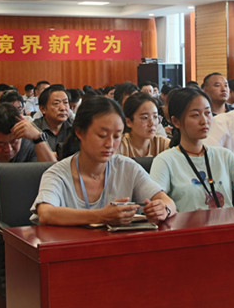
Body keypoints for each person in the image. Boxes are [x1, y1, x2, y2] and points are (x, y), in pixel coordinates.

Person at [31, 96, 176, 226]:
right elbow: (45, 213)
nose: (110, 144)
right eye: (102, 135)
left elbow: (168, 202)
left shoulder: (127, 167)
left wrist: (163, 209)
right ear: (79, 132)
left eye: (117, 136)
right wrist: (100, 216)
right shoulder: (58, 173)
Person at [151, 87, 234, 212]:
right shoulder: (164, 161)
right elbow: (159, 202)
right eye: (195, 115)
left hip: (226, 223)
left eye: (207, 113)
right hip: (187, 224)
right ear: (176, 122)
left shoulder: (224, 155)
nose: (204, 121)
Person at [118, 92, 170, 157]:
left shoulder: (163, 144)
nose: (152, 123)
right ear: (129, 122)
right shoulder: (119, 146)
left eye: (155, 117)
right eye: (145, 118)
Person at [33, 84, 76, 158]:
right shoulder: (33, 129)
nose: (63, 108)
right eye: (56, 103)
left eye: (66, 103)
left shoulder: (75, 129)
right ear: (43, 109)